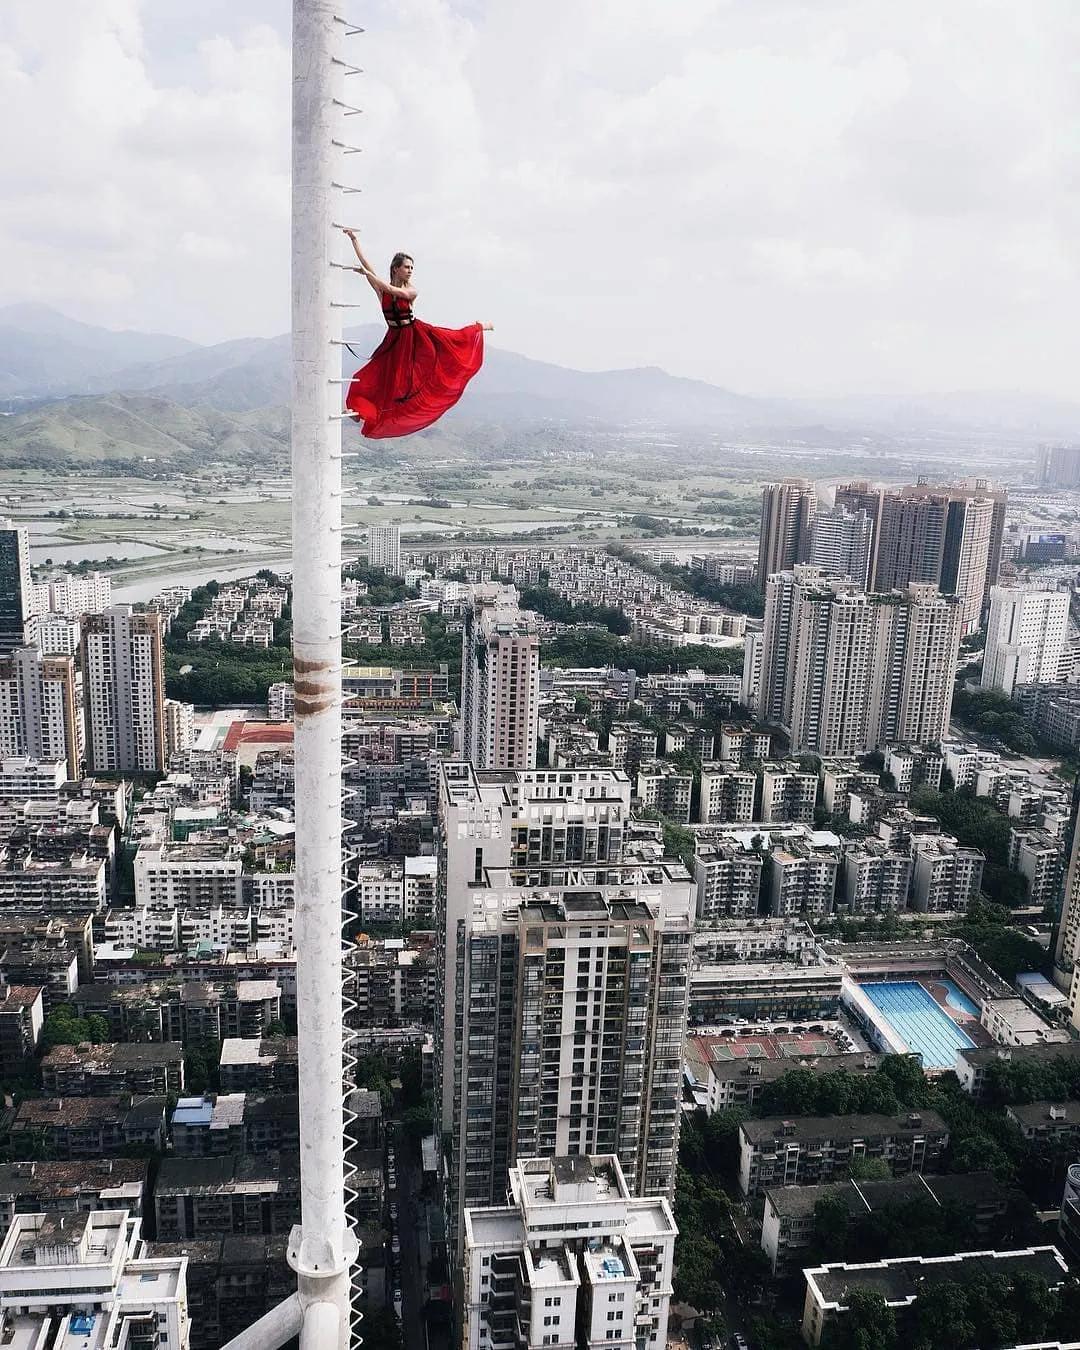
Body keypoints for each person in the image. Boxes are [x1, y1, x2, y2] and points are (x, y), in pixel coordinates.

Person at [342, 229, 492, 439]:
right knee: (367, 376)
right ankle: (359, 413)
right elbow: (369, 267)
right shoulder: (382, 291)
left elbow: (396, 292)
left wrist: (369, 276)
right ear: (396, 269)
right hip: (394, 340)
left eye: (412, 267)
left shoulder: (411, 291)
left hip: (414, 338)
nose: (410, 270)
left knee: (453, 342)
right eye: (406, 267)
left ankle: (480, 326)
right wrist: (355, 241)